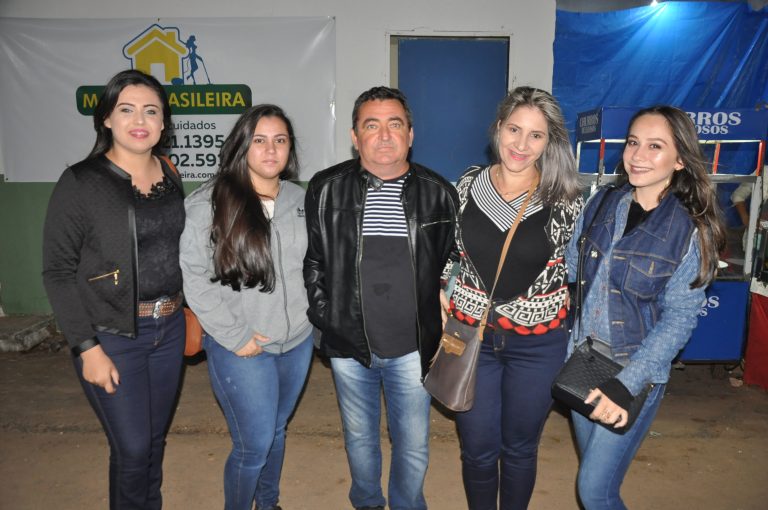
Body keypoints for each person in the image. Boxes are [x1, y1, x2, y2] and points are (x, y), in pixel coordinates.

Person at [303, 86, 459, 510]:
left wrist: (445, 307)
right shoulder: (325, 188)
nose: (385, 135)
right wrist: (328, 318)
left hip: (414, 347)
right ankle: (368, 502)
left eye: (395, 124)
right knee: (359, 438)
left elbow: (453, 262)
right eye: (372, 125)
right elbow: (314, 261)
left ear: (411, 134)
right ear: (355, 136)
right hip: (349, 346)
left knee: (413, 443)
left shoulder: (438, 192)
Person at [565, 105, 725, 509]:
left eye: (655, 146)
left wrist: (626, 385)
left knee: (594, 491)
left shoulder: (690, 229)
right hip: (583, 361)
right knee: (593, 476)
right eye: (633, 142)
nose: (637, 155)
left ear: (680, 159)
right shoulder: (603, 201)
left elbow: (680, 319)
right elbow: (571, 267)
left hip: (633, 372)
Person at [42, 69, 185, 509]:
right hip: (112, 336)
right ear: (106, 118)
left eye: (151, 111)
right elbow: (57, 271)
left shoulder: (170, 174)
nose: (139, 120)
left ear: (163, 122)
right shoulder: (81, 182)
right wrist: (87, 348)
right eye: (126, 109)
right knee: (133, 448)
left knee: (154, 441)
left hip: (170, 330)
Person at [441, 86, 583, 510]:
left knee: (520, 448)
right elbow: (449, 252)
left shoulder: (565, 199)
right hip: (472, 338)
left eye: (536, 135)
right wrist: (440, 291)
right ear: (498, 127)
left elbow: (579, 269)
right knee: (477, 448)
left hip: (538, 346)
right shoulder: (467, 185)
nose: (521, 144)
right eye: (514, 129)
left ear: (549, 141)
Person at [180, 104, 312, 510]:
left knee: (276, 431)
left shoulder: (299, 199)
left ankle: (268, 504)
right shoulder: (209, 202)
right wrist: (236, 337)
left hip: (297, 341)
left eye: (280, 140)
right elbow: (194, 275)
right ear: (241, 145)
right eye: (259, 140)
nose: (271, 150)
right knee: (253, 445)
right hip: (242, 345)